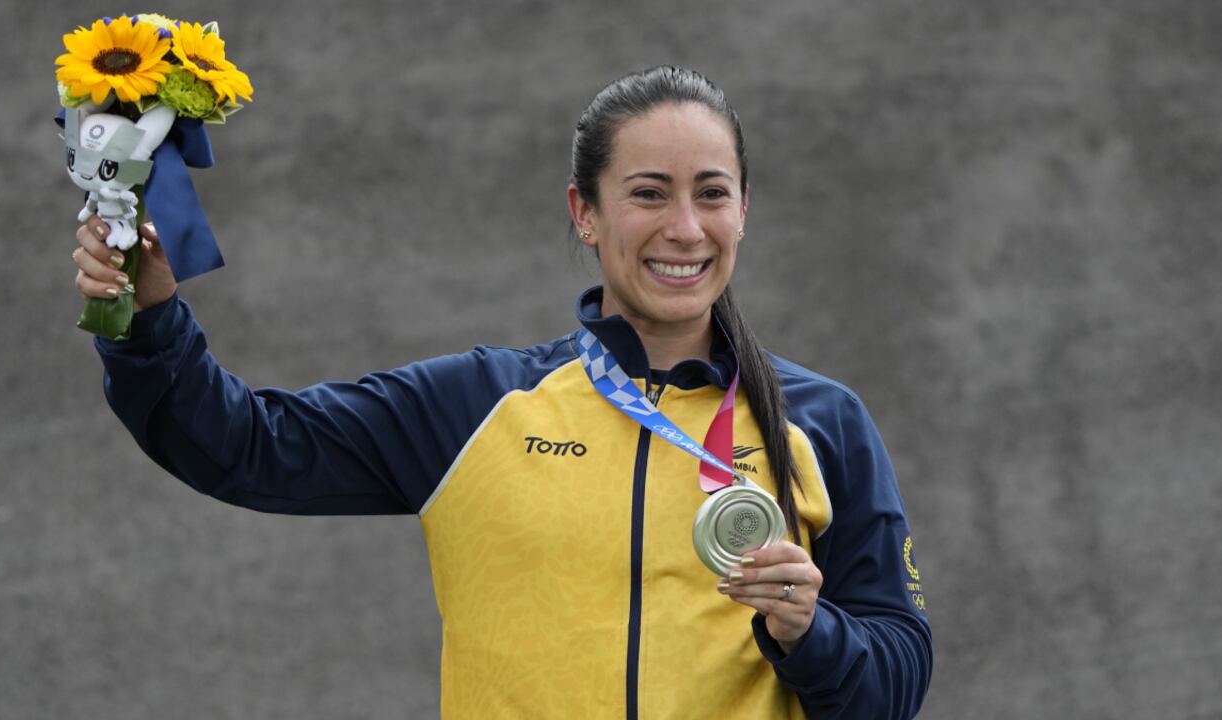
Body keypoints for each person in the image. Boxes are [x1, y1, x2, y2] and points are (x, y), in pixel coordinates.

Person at [70, 66, 932, 719]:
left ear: (744, 212)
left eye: (713, 194)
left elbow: (895, 678)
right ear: (584, 213)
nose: (684, 228)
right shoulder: (474, 407)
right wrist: (148, 317)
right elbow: (238, 445)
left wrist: (807, 632)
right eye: (647, 194)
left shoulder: (821, 424)